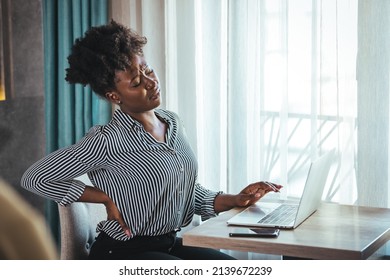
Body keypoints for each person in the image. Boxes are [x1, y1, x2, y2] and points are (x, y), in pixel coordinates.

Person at [21, 20, 282, 260]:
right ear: (114, 95)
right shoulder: (107, 139)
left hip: (169, 244)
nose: (150, 82)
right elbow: (35, 178)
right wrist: (103, 197)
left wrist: (234, 200)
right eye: (136, 82)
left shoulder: (173, 122)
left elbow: (187, 193)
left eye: (147, 69)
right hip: (121, 251)